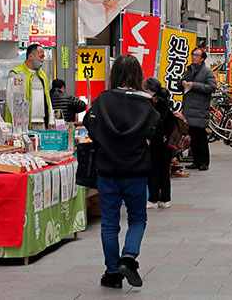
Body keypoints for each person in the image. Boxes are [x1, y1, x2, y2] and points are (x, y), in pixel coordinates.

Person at [84, 55, 159, 289]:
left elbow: (91, 125)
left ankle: (112, 273)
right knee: (137, 218)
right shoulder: (146, 101)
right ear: (138, 75)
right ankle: (128, 256)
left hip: (107, 170)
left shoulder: (102, 100)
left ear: (113, 74)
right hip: (136, 170)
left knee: (109, 223)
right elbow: (155, 132)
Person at [181, 47, 217, 171]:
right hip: (189, 108)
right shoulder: (189, 70)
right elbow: (179, 83)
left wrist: (194, 85)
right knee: (193, 138)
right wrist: (182, 83)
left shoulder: (207, 72)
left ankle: (204, 162)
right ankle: (196, 161)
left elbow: (212, 87)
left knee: (201, 138)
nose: (193, 57)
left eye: (196, 55)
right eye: (192, 54)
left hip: (200, 109)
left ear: (202, 58)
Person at [7, 44, 52, 129]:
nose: (42, 60)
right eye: (41, 57)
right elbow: (11, 101)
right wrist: (19, 125)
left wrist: (50, 121)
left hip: (42, 123)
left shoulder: (42, 75)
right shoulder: (16, 74)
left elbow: (47, 99)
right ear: (30, 56)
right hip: (24, 124)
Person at [143, 78, 172, 209]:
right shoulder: (165, 100)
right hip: (167, 141)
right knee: (164, 170)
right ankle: (165, 199)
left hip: (156, 140)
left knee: (153, 169)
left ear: (149, 90)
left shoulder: (154, 102)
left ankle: (153, 199)